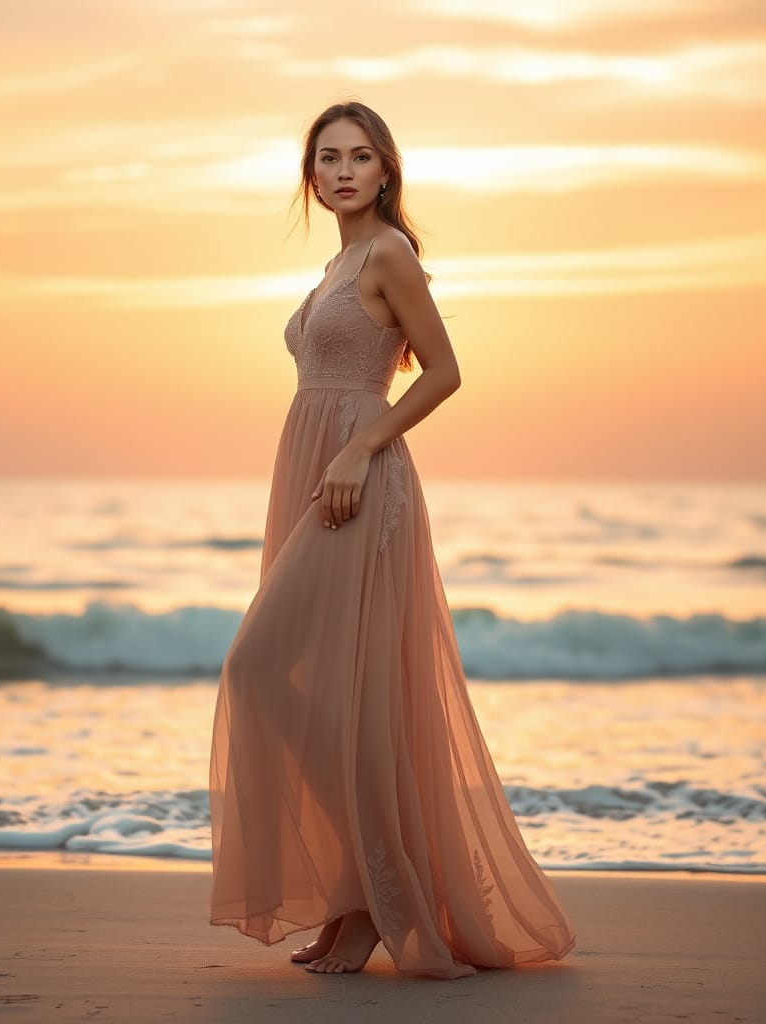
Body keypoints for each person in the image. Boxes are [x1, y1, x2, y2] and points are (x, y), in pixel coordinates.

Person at [209, 101, 575, 980]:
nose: (342, 171)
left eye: (360, 157)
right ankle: (356, 895)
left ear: (385, 172)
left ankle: (382, 896)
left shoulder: (389, 254)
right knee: (323, 693)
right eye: (327, 157)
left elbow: (444, 372)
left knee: (263, 669)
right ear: (312, 175)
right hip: (316, 466)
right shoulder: (338, 262)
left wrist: (359, 450)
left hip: (359, 479)